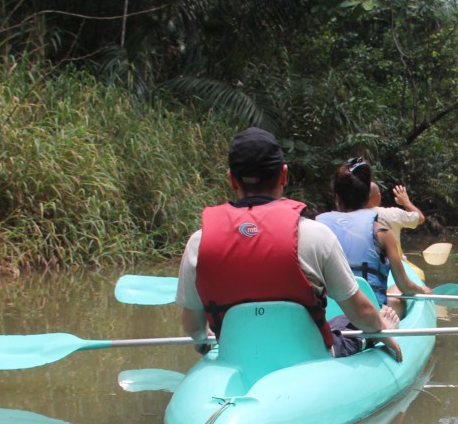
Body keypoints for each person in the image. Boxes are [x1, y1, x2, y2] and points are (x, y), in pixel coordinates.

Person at [175, 127, 402, 361]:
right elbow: (362, 313)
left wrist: (203, 343)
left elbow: (192, 326)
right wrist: (382, 329)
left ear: (232, 179)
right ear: (284, 175)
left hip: (239, 354)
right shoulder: (315, 235)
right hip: (307, 355)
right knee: (349, 322)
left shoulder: (198, 243)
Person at [317, 158, 430, 312]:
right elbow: (405, 286)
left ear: (337, 198)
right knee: (396, 297)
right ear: (367, 198)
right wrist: (422, 290)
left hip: (328, 311)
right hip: (368, 313)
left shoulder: (317, 227)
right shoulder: (382, 231)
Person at [366, 181, 425, 249]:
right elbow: (420, 218)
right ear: (379, 197)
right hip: (393, 258)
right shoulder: (393, 213)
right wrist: (406, 202)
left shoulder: (352, 217)